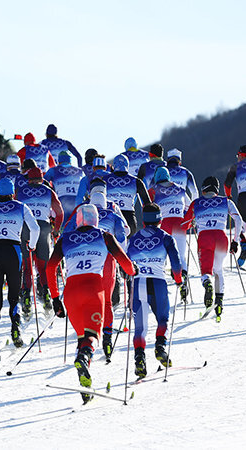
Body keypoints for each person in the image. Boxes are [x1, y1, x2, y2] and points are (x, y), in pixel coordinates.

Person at [46, 204, 136, 403]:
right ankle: (83, 360)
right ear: (96, 219)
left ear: (78, 220)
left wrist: (54, 298)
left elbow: (50, 267)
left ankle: (85, 387)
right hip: (94, 289)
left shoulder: (65, 239)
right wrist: (132, 270)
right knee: (93, 336)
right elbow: (124, 261)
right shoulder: (104, 235)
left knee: (82, 339)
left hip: (71, 293)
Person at [126, 203, 183, 378]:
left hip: (138, 283)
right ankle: (160, 347)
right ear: (160, 220)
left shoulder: (133, 239)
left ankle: (139, 360)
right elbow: (176, 264)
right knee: (163, 319)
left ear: (143, 220)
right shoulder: (166, 237)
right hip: (158, 282)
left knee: (140, 327)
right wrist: (179, 280)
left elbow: (126, 263)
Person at [0, 178, 38, 351]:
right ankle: (16, 331)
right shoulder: (21, 206)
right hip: (14, 252)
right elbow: (35, 228)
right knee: (14, 296)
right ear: (13, 192)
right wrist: (32, 245)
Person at [181, 177, 243, 321]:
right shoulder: (226, 201)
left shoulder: (196, 203)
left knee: (206, 271)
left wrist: (193, 222)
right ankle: (219, 302)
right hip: (221, 237)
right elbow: (238, 220)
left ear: (204, 188)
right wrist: (236, 241)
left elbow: (184, 224)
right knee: (219, 270)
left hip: (205, 237)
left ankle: (207, 284)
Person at [16, 168, 64, 315]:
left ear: (28, 179)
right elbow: (60, 212)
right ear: (42, 178)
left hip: (26, 228)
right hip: (43, 228)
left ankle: (25, 296)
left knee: (27, 266)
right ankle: (46, 294)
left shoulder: (21, 190)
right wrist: (56, 229)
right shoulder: (48, 190)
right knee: (43, 267)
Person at [150, 167, 191, 302]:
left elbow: (149, 207)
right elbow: (189, 207)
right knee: (181, 257)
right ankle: (183, 282)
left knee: (162, 257)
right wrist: (188, 221)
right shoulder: (180, 189)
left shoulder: (154, 189)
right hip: (179, 223)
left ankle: (161, 288)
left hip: (164, 224)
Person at [105, 154, 150, 235]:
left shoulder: (104, 179)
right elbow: (148, 204)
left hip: (109, 217)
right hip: (129, 218)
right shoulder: (136, 181)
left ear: (114, 165)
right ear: (127, 165)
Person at [44, 150, 84, 220]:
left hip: (62, 201)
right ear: (70, 161)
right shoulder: (80, 171)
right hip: (78, 202)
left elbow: (43, 183)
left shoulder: (53, 170)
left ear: (59, 161)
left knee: (62, 226)